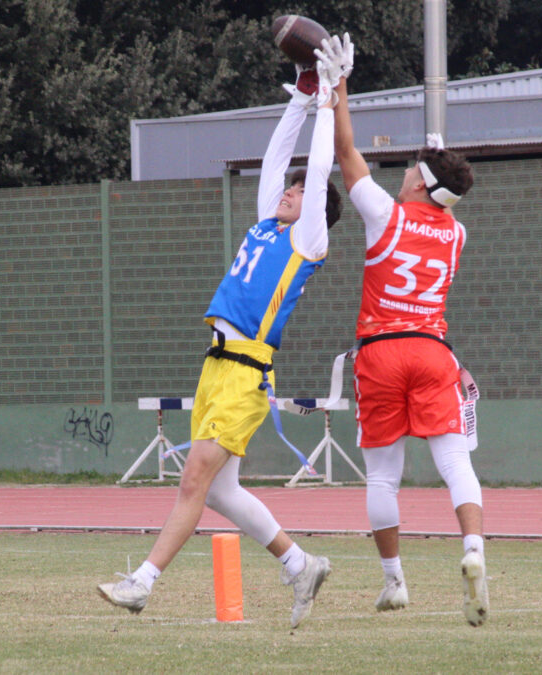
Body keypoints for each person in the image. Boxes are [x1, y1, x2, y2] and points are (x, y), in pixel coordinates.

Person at [98, 48, 348, 629]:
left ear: (313, 208)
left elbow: (314, 175)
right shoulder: (267, 225)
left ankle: (143, 584)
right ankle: (300, 564)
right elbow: (275, 162)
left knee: (192, 481)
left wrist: (331, 100)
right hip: (216, 366)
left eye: (296, 192)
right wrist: (302, 96)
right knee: (219, 491)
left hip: (246, 372)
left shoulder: (310, 238)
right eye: (285, 191)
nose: (286, 191)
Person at [322, 35, 488, 627]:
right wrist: (438, 164)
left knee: (383, 475)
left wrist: (338, 88)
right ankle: (473, 551)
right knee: (455, 464)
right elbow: (446, 196)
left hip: (382, 352)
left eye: (409, 172)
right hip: (434, 350)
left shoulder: (384, 213)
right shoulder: (457, 233)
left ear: (417, 180)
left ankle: (394, 582)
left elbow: (346, 152)